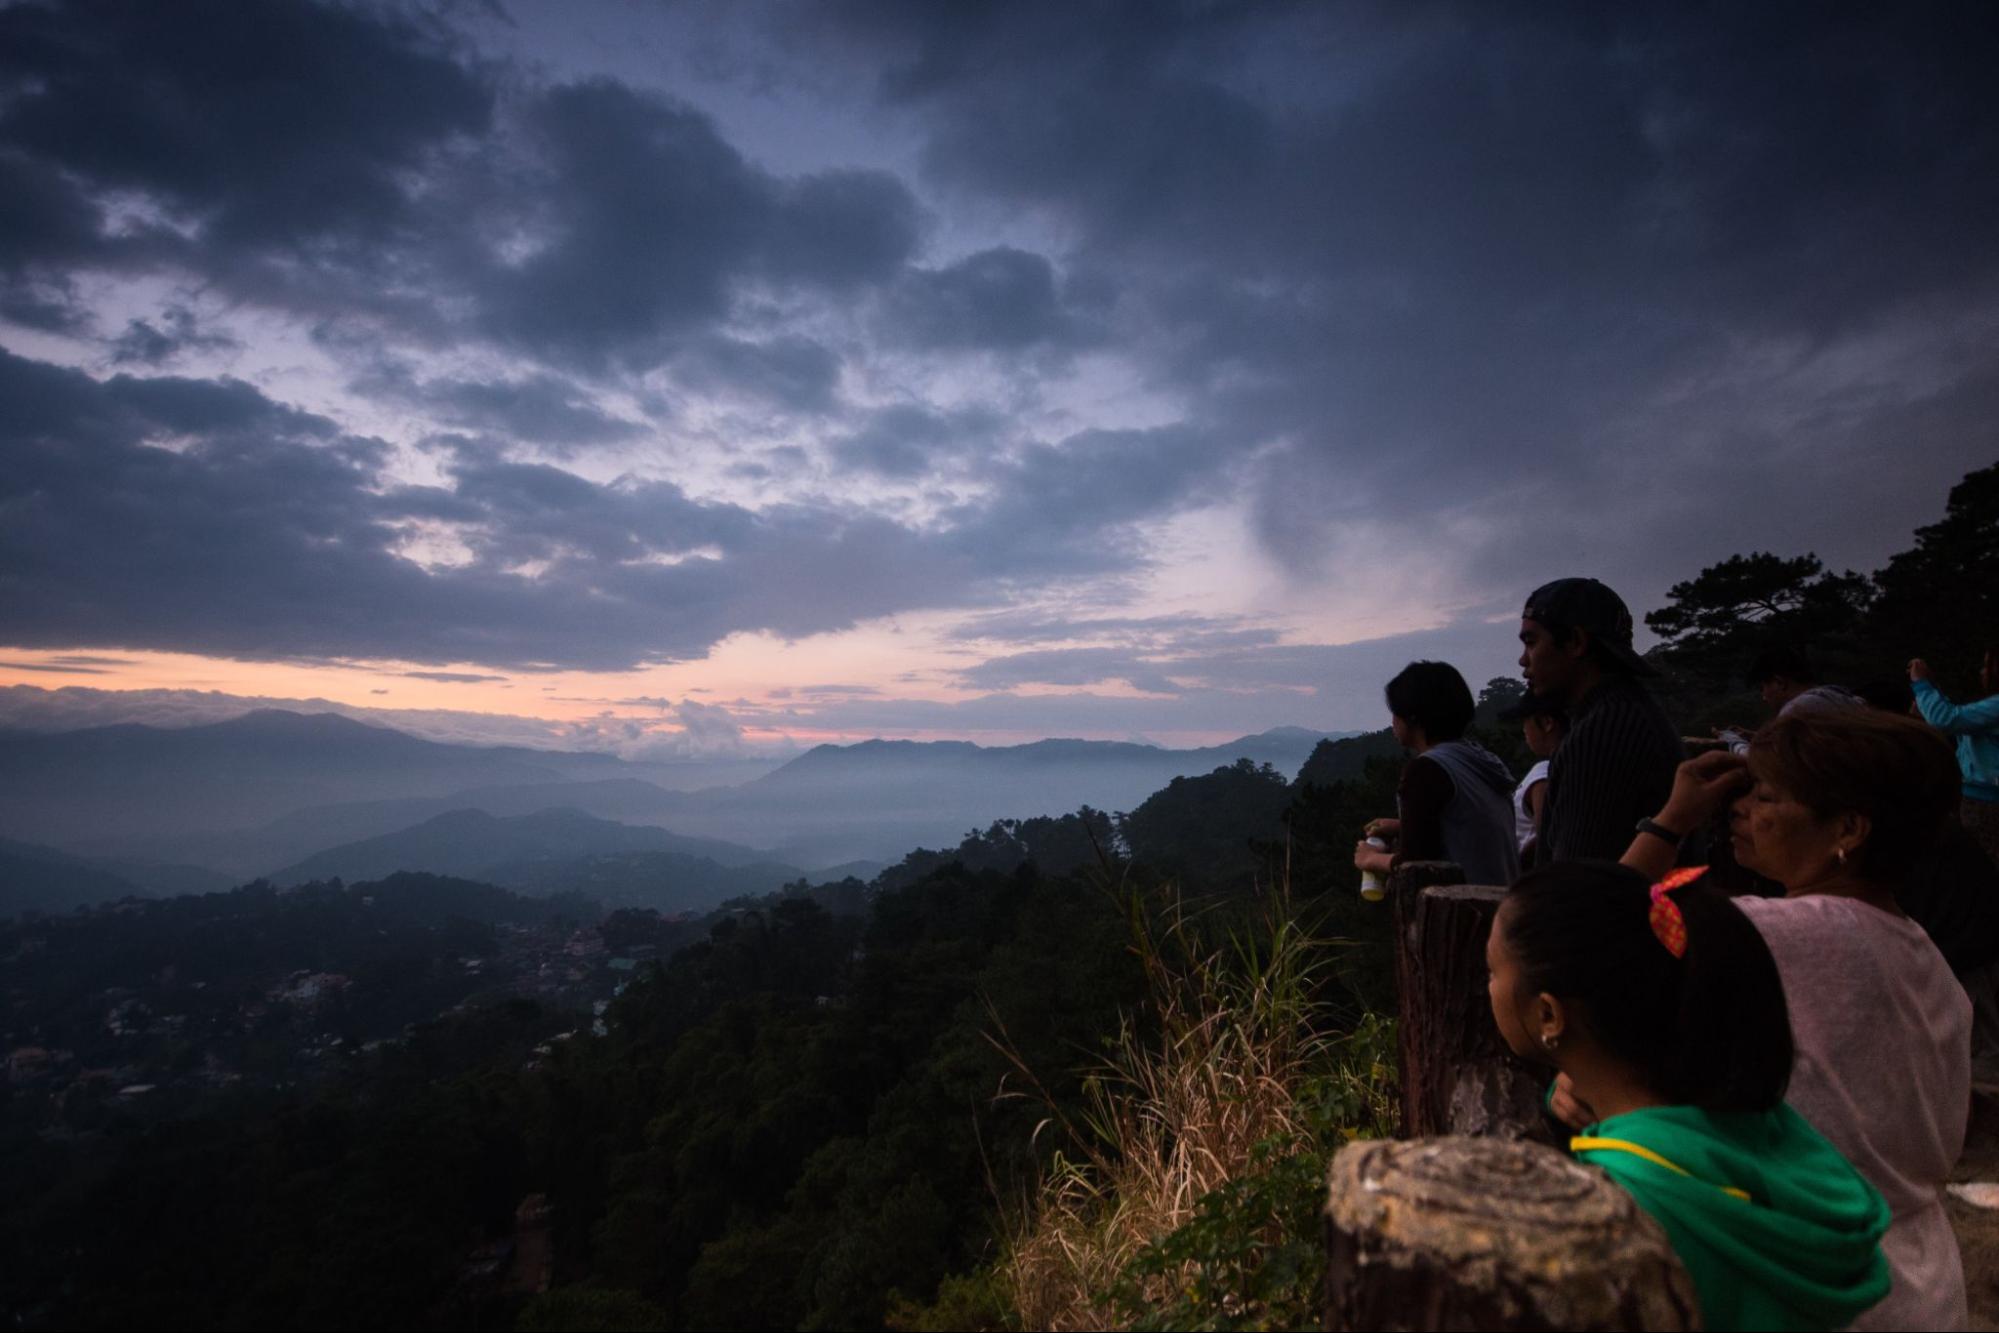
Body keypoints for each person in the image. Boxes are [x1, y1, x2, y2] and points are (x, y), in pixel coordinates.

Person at [1613, 711, 1971, 1329]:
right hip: (1919, 1282)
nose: (1741, 808)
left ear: (1849, 829)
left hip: (1813, 1291)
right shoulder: (1925, 958)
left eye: (1765, 795)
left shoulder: (1773, 934)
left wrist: (1670, 820)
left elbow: (1577, 932)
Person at [1488, 859, 1889, 1331]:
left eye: (1492, 970)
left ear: (1549, 1016)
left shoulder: (1614, 1214)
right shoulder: (1774, 1139)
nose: (1488, 986)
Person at [1517, 578, 1684, 863]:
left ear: (1576, 642)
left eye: (1531, 642)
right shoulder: (1628, 713)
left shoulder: (1602, 736)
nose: (1523, 660)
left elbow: (1579, 883)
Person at [1352, 661, 1519, 887]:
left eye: (1395, 712)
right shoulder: (1479, 761)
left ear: (1412, 717)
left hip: (1466, 911)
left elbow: (1417, 863)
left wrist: (1369, 859)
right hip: (1503, 901)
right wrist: (1405, 826)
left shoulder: (1427, 769)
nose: (1392, 721)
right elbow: (1472, 826)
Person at [1910, 647, 1999, 861]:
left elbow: (1946, 720)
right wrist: (1932, 692)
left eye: (1987, 666)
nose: (1982, 672)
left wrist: (1921, 685)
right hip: (1981, 799)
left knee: (1983, 863)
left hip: (1987, 803)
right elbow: (1956, 722)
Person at [1718, 646, 1865, 753]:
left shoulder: (1797, 710)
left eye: (1763, 688)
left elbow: (1772, 767)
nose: (1763, 697)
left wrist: (1732, 741)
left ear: (1779, 683)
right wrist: (1755, 737)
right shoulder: (1837, 696)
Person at [1500, 692, 1564, 858]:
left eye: (1525, 722)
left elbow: (1546, 838)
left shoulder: (1544, 773)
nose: (1524, 731)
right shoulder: (1557, 769)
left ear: (1546, 723)